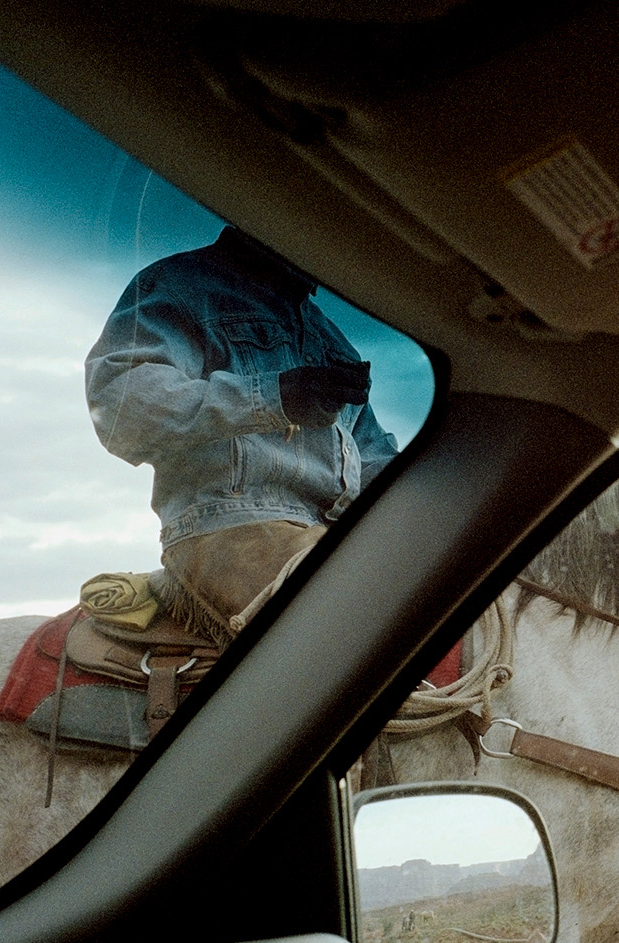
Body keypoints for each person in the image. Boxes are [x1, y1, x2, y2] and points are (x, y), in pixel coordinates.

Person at [85, 226, 399, 644]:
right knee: (354, 630)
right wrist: (277, 395)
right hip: (230, 527)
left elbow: (372, 455)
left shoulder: (330, 336)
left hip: (334, 534)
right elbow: (120, 405)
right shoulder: (180, 285)